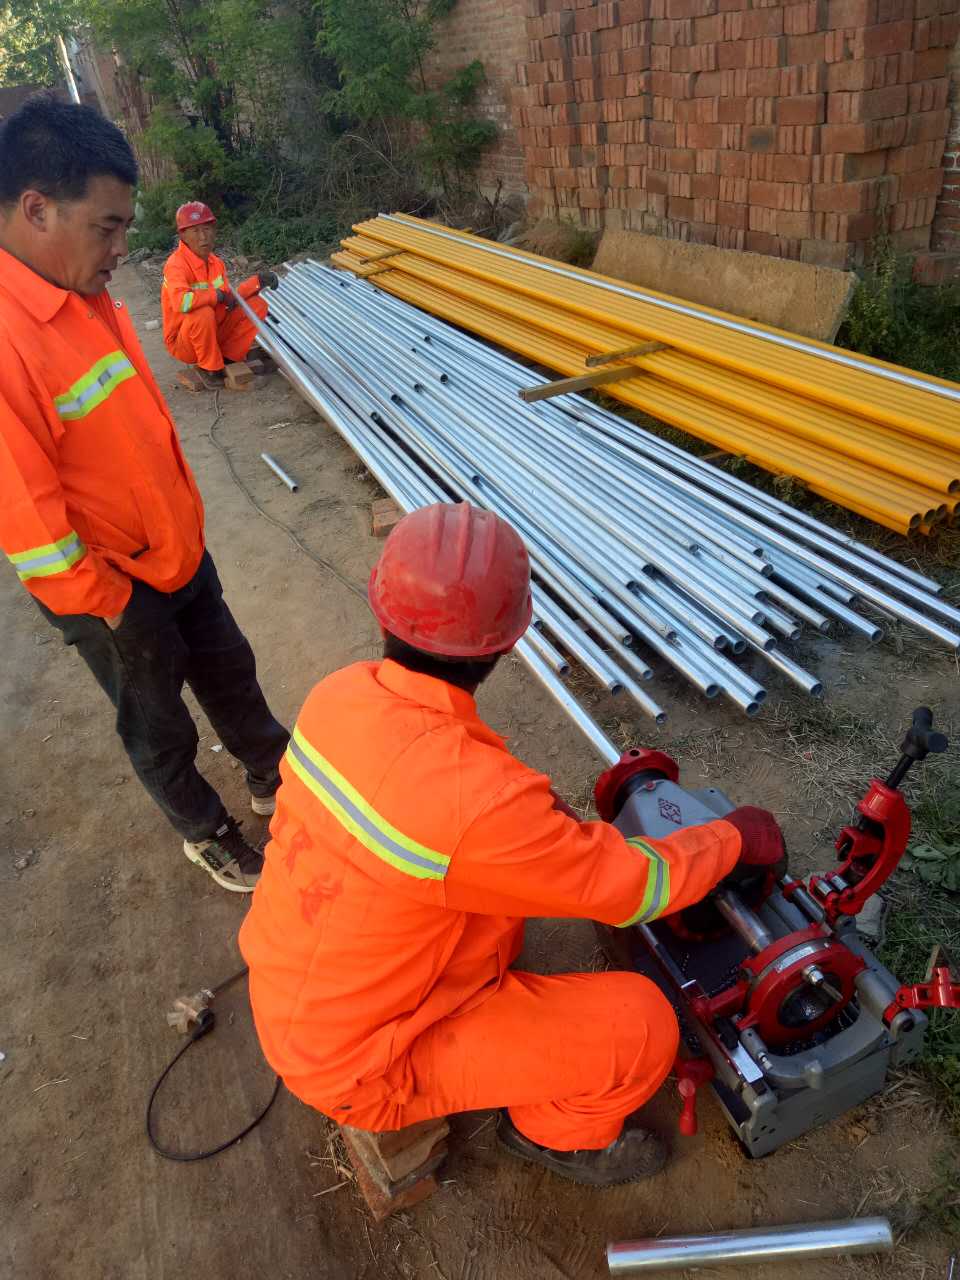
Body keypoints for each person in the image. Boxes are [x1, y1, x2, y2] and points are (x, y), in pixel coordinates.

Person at [240, 502, 786, 1185]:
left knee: (502, 912)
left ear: (383, 612)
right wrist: (731, 839)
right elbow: (631, 889)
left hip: (299, 999)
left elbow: (453, 819)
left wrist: (539, 826)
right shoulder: (478, 803)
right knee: (644, 1024)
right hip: (367, 1063)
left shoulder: (339, 696)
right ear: (505, 643)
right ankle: (553, 1136)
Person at [0, 94, 288, 893]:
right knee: (159, 721)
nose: (123, 248)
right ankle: (206, 830)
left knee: (229, 671)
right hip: (112, 589)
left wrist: (181, 530)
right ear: (37, 210)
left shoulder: (79, 288)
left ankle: (275, 777)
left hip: (175, 544)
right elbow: (26, 516)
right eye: (108, 227)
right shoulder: (10, 335)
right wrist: (109, 604)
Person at [162, 201, 277, 388]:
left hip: (213, 331)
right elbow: (180, 302)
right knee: (203, 312)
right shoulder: (176, 265)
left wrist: (257, 282)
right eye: (195, 231)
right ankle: (210, 369)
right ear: (183, 235)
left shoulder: (216, 263)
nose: (203, 237)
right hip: (185, 343)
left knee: (257, 305)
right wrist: (214, 296)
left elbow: (229, 297)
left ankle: (228, 358)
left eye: (207, 229)